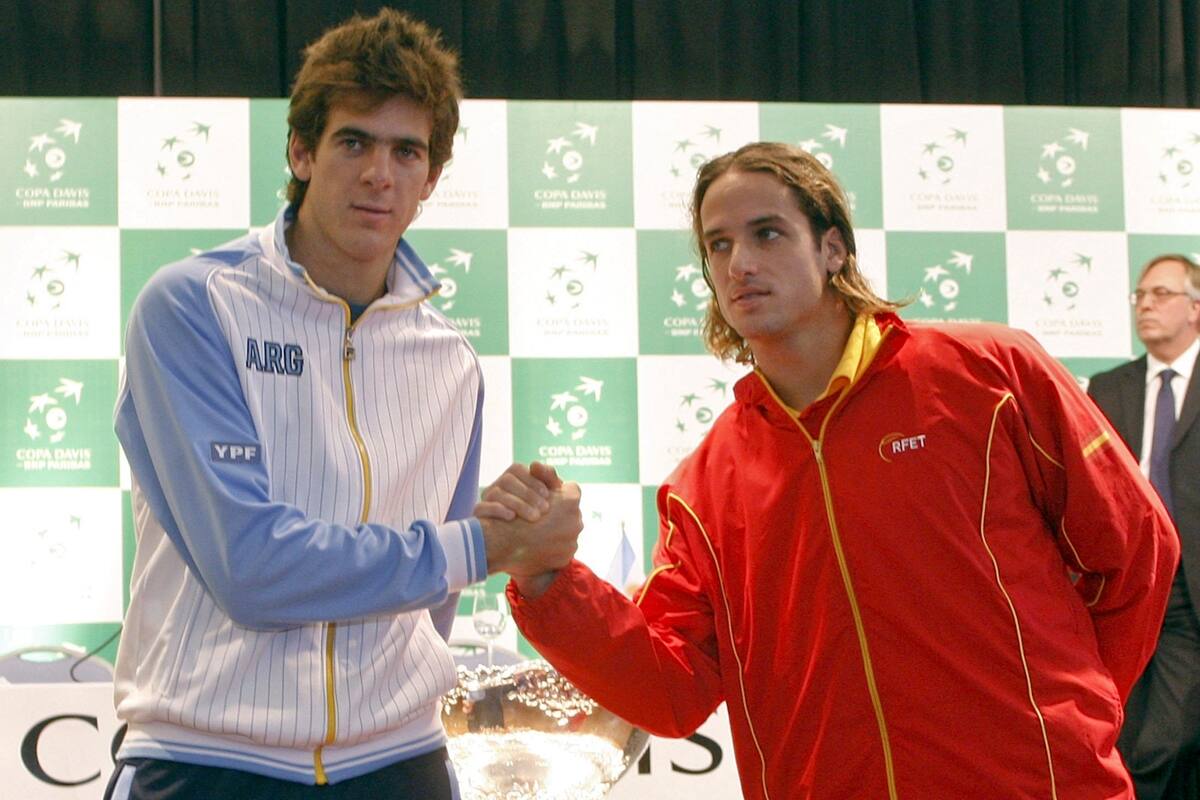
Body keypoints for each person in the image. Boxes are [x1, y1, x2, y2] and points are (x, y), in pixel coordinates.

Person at [487, 142, 1179, 799]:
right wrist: (547, 578)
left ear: (832, 247)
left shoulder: (989, 374)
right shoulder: (704, 485)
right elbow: (672, 691)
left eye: (767, 234)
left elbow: (1137, 551)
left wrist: (1067, 717)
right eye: (718, 245)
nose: (738, 265)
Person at [105, 9, 580, 799]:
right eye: (354, 141)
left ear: (430, 181)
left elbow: (429, 610)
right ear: (301, 151)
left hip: (401, 762)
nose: (378, 174)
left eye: (407, 152)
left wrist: (508, 525)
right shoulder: (193, 305)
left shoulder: (453, 361)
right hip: (206, 763)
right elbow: (250, 569)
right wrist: (482, 546)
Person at [1089, 254, 1200, 799]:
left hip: (1188, 588)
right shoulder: (1109, 390)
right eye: (1140, 296)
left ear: (1196, 308)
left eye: (1161, 294)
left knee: (1168, 739)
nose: (1146, 305)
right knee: (1125, 732)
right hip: (1128, 581)